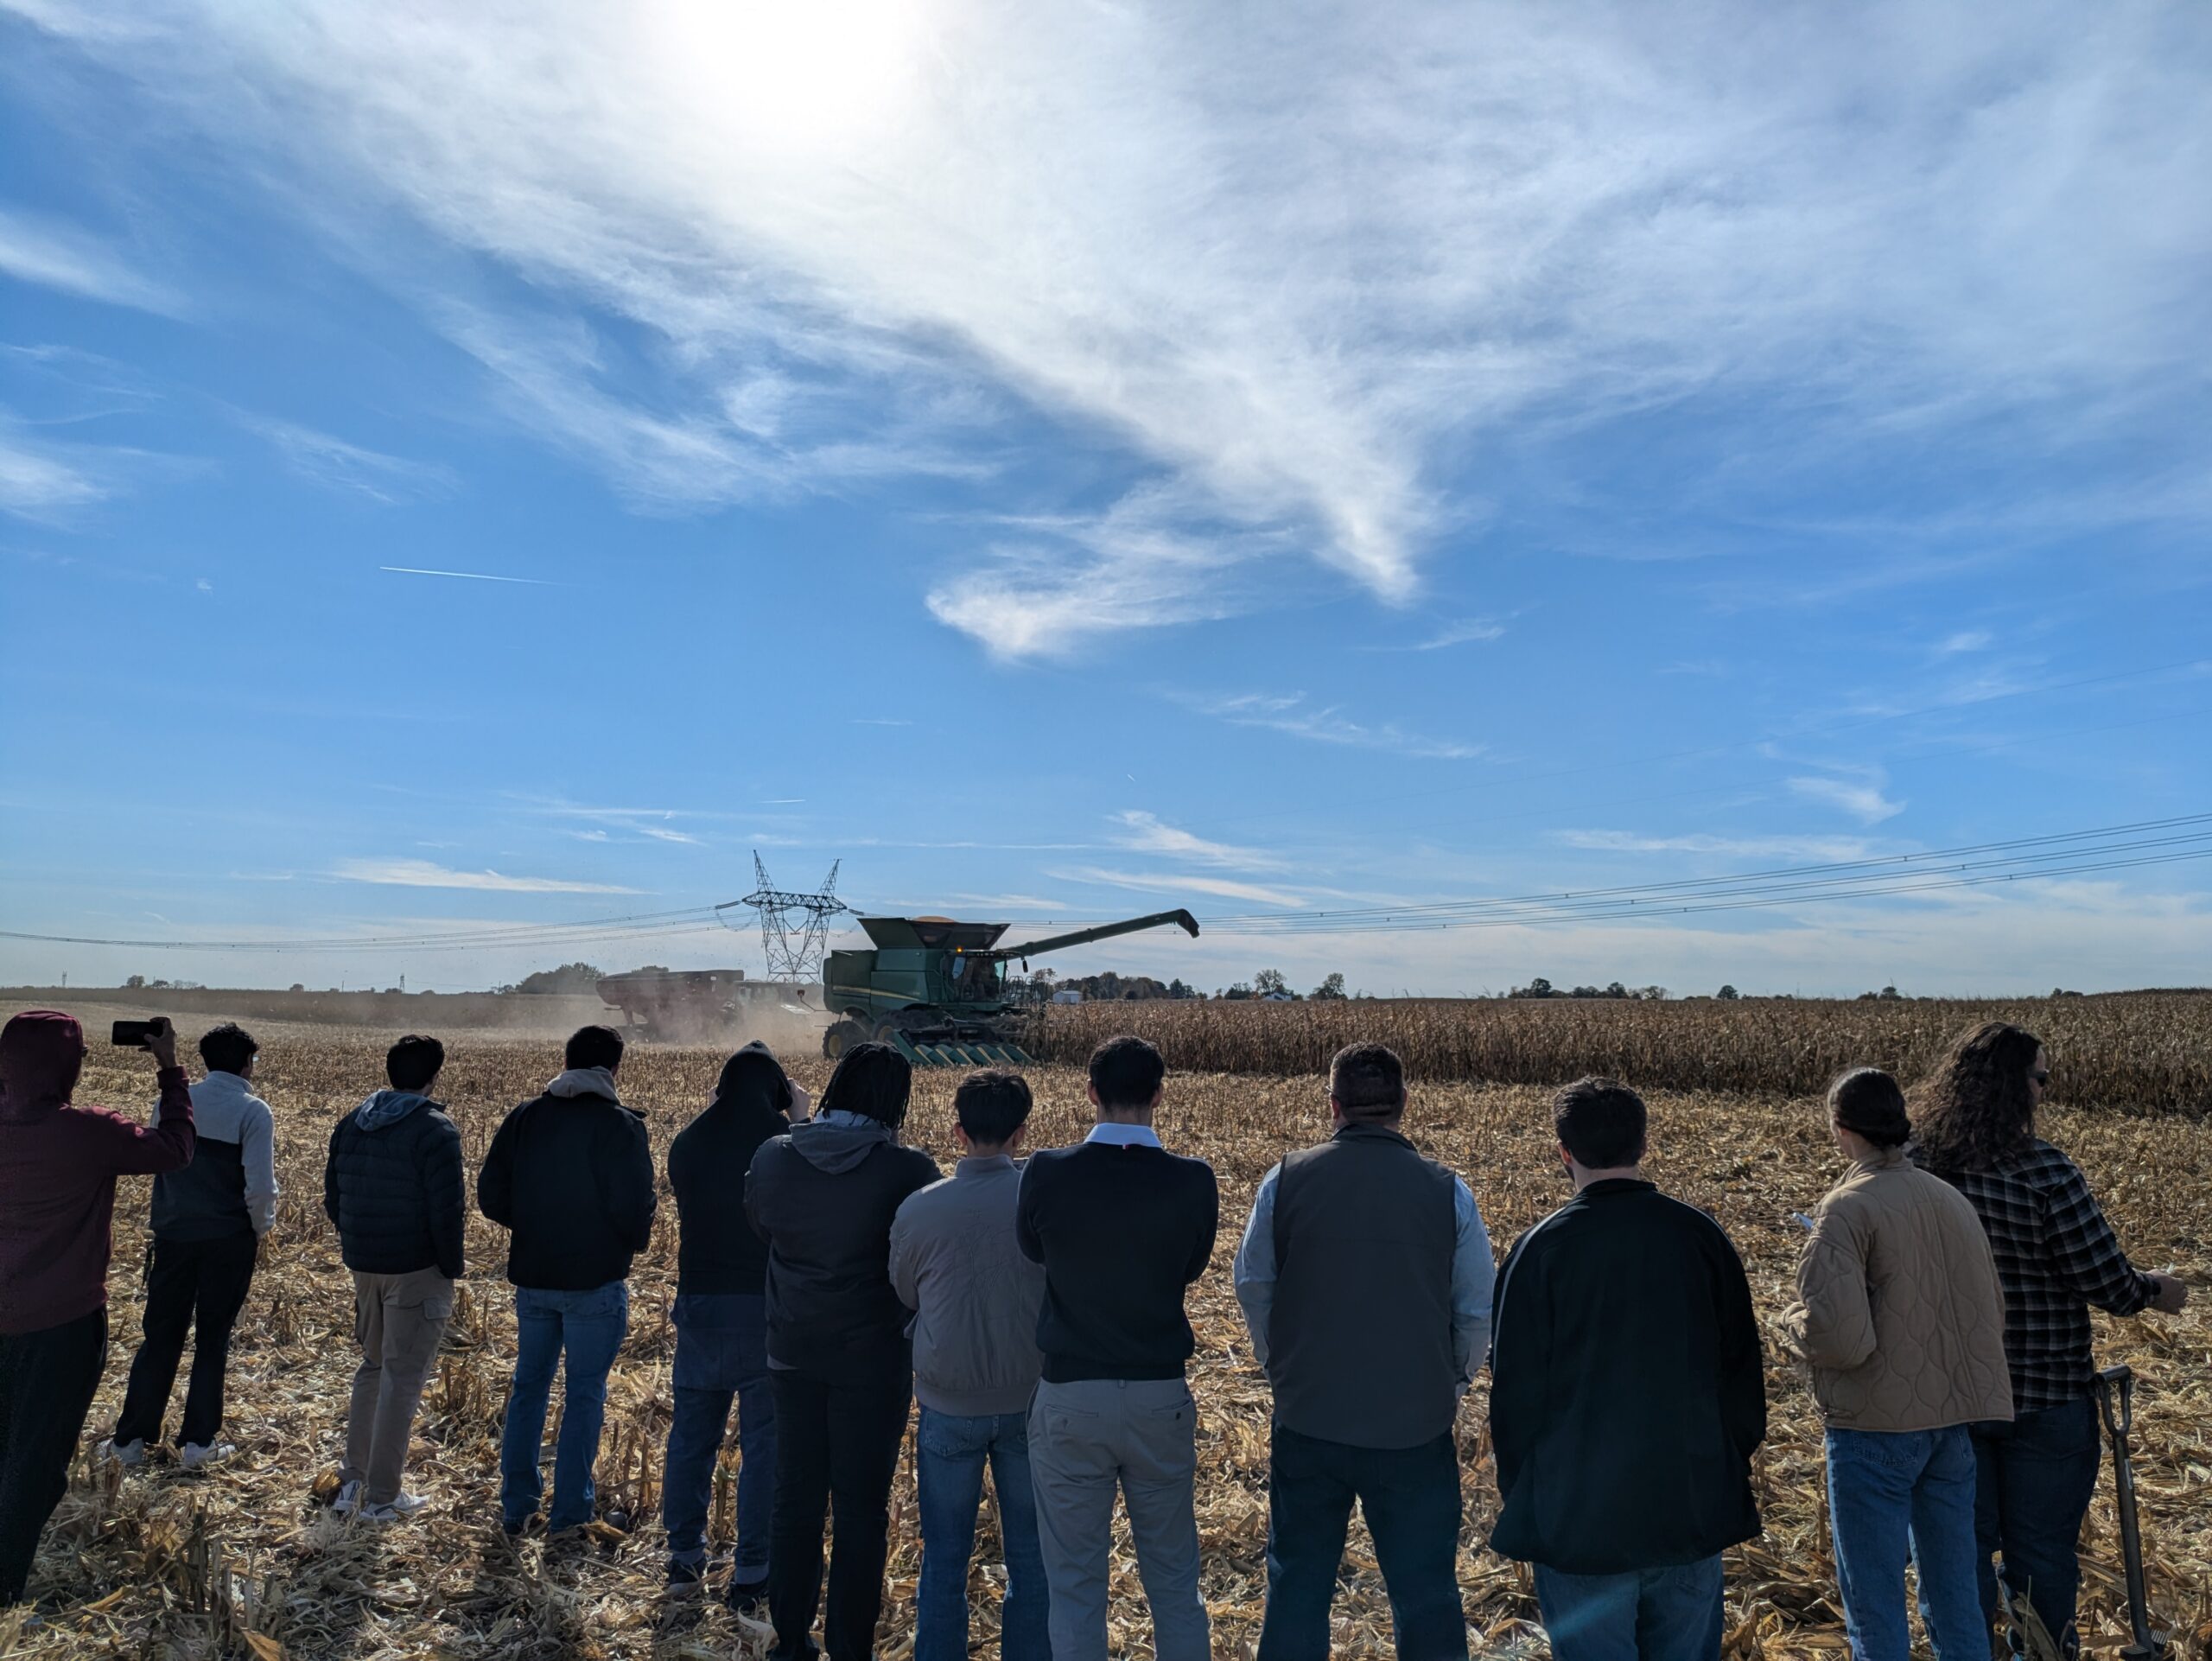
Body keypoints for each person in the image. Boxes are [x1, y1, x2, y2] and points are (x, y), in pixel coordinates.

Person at [1909, 1021, 2189, 1657]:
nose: (2045, 1091)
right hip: (2046, 1395)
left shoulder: (1915, 1171)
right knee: (2040, 1553)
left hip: (1945, 1398)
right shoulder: (2044, 1172)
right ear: (2015, 1087)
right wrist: (2155, 1289)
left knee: (1957, 1550)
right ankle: (2042, 1650)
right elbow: (2105, 1281)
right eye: (2041, 1079)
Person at [1488, 1077, 1765, 1661]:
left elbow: (1514, 1395)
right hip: (1689, 1506)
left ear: (1564, 1151)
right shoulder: (1700, 1237)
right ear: (1643, 1144)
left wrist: (1531, 1496)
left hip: (1578, 1521)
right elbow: (1742, 1372)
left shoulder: (1540, 1250)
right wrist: (1721, 1468)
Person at [1234, 1042, 1492, 1661]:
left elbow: (1254, 1285)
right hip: (1414, 1431)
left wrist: (1280, 1369)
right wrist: (1451, 1382)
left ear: (1334, 1106)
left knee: (1298, 1587)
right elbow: (1475, 1312)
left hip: (1309, 1420)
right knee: (1425, 1593)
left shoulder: (1284, 1180)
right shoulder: (1448, 1191)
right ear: (1404, 1104)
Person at [1782, 1068, 2012, 1661]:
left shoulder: (1846, 1208)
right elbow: (1990, 1311)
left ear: (1840, 1128)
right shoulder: (1950, 1199)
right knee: (1956, 1594)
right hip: (1951, 1428)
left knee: (1875, 1603)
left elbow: (1840, 1341)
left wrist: (1790, 1322)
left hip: (1874, 1430)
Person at [1016, 1034, 1217, 1661]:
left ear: (1090, 1093)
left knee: (1075, 1589)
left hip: (1072, 1397)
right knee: (1175, 1583)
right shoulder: (1194, 1181)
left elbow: (1032, 1249)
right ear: (1159, 1095)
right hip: (1160, 1397)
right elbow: (1192, 1267)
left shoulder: (1046, 1172)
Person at [746, 1041, 939, 1661]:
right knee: (861, 1509)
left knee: (795, 1498)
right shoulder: (908, 1171)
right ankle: (851, 1647)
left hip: (792, 1349)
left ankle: (790, 1640)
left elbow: (760, 1225)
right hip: (872, 1360)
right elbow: (923, 1252)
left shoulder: (773, 1157)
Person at [0, 1011, 195, 1607]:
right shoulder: (87, 1132)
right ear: (68, 1067)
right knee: (35, 1460)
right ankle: (4, 1589)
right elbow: (175, 1150)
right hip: (60, 1324)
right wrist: (170, 1070)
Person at [889, 1069, 1051, 1661]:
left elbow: (905, 1292)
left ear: (957, 1132)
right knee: (1031, 1558)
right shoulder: (1042, 1202)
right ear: (1021, 1132)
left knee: (944, 1560)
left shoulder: (920, 1209)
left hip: (948, 1404)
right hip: (1029, 1402)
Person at [480, 1024, 655, 1536]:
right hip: (595, 1283)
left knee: (528, 1389)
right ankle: (570, 1514)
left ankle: (516, 1508)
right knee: (584, 1394)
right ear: (614, 1069)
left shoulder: (526, 1116)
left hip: (534, 1279)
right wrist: (624, 1241)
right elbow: (633, 1207)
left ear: (565, 1061)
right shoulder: (620, 1126)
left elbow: (490, 1194)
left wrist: (534, 1224)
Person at [663, 1043, 803, 1611]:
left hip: (699, 1305)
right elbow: (811, 1188)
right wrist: (800, 1118)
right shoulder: (782, 1144)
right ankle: (752, 1572)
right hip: (763, 1309)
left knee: (691, 1439)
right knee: (764, 1446)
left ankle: (683, 1558)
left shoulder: (688, 1142)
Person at [109, 1021, 277, 1471]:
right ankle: (198, 1443)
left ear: (204, 1060)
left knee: (160, 1337)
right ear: (247, 1063)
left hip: (174, 1235)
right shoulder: (253, 1111)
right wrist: (258, 1230)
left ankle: (130, 1441)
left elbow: (156, 1157)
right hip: (228, 1241)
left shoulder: (173, 1101)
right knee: (212, 1340)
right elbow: (260, 1188)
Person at [323, 1033, 466, 1521]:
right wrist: (450, 1267)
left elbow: (333, 1197)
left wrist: (359, 1244)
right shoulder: (435, 1130)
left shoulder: (352, 1122)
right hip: (415, 1268)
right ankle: (383, 1498)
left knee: (373, 1367)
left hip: (365, 1264)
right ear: (434, 1076)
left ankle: (354, 1480)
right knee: (402, 1379)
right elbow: (447, 1211)